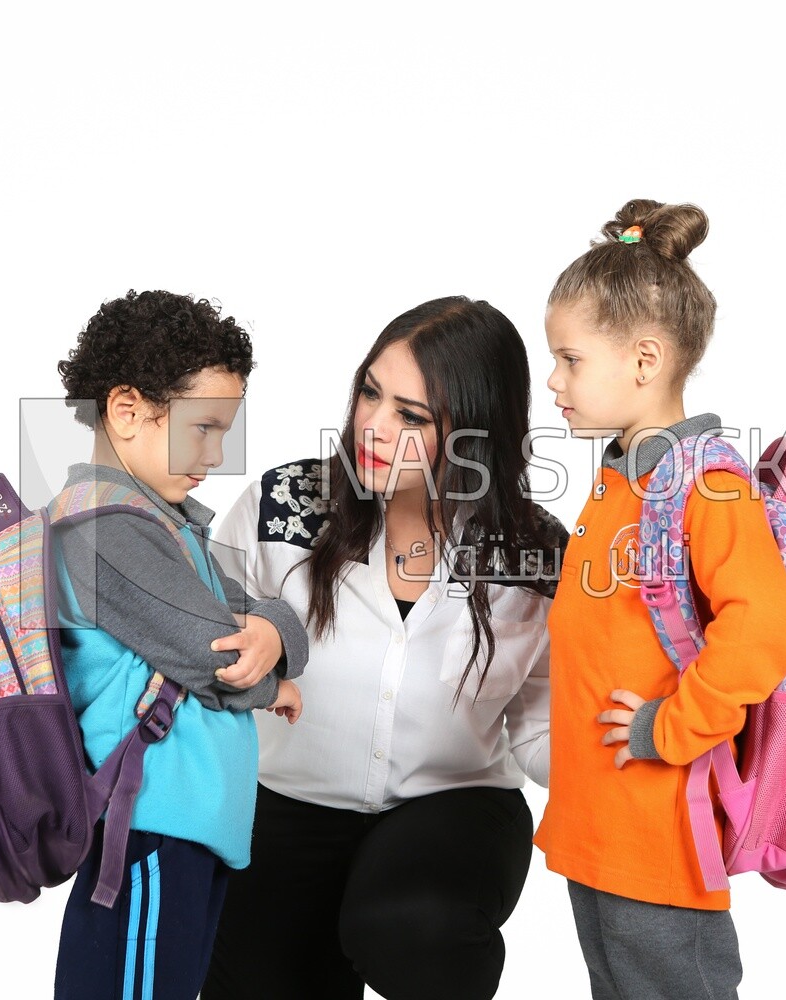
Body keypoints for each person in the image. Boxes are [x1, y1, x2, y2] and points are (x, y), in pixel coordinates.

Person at [202, 296, 567, 1000]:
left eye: (411, 415)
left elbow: (539, 727)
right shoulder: (280, 504)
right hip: (287, 801)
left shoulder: (535, 554)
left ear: (474, 433)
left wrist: (633, 747)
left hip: (455, 807)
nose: (372, 425)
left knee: (407, 927)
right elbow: (201, 654)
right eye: (371, 392)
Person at [533, 201, 786, 1000]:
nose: (553, 380)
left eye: (570, 359)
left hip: (660, 833)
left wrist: (669, 728)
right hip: (601, 826)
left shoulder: (706, 486)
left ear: (644, 360)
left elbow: (761, 633)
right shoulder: (624, 483)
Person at [49, 289, 310, 1000]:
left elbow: (255, 608)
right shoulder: (104, 531)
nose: (216, 454)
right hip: (150, 829)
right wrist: (272, 682)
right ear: (128, 410)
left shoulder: (162, 522)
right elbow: (216, 649)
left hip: (184, 828)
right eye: (202, 429)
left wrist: (277, 633)